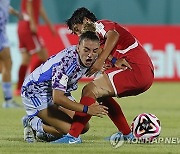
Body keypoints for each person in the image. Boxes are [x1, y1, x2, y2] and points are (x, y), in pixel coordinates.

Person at [52, 7, 154, 144]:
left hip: (136, 69)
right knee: (102, 97)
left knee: (89, 90)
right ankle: (127, 134)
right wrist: (112, 61)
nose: (78, 34)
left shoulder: (99, 25)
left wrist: (100, 61)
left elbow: (114, 35)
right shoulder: (98, 40)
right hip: (141, 72)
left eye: (77, 29)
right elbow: (103, 50)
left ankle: (73, 136)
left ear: (87, 21)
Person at [21, 31, 109, 143]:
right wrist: (87, 109)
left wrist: (116, 61)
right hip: (35, 92)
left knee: (83, 127)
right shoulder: (66, 64)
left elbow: (104, 51)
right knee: (70, 131)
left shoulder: (92, 55)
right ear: (78, 48)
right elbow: (58, 98)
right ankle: (32, 122)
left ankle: (47, 129)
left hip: (58, 89)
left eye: (94, 51)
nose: (90, 55)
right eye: (86, 50)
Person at [15, 0, 56, 96]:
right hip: (28, 25)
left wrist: (49, 24)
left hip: (22, 25)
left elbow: (39, 8)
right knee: (44, 56)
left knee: (25, 59)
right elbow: (29, 4)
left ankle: (19, 88)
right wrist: (33, 23)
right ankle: (30, 83)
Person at [0, 0, 22, 108]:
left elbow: (5, 7)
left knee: (6, 65)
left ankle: (8, 100)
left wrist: (16, 13)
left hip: (2, 33)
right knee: (7, 63)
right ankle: (8, 101)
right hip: (1, 33)